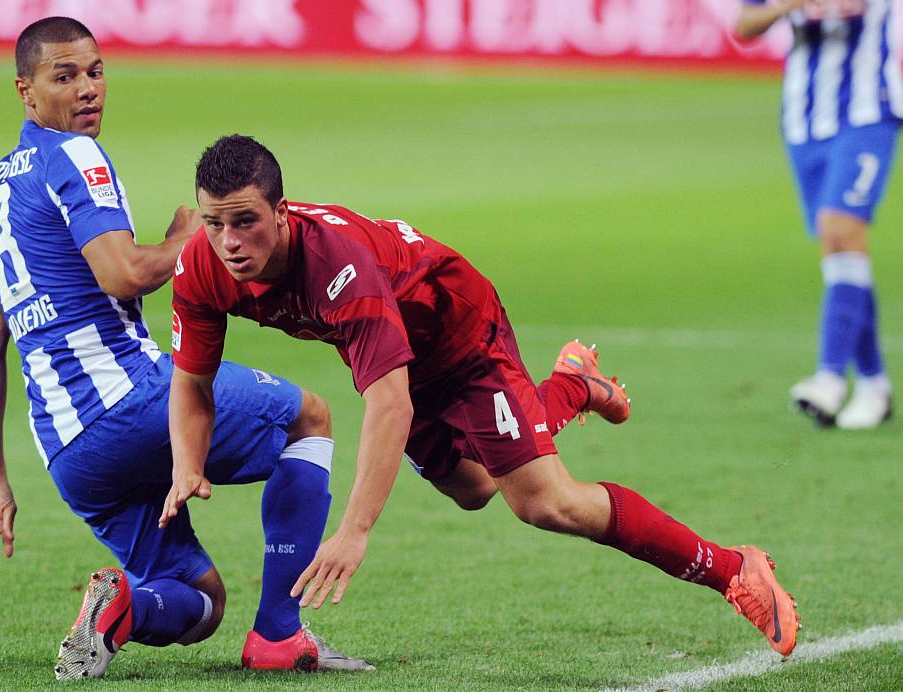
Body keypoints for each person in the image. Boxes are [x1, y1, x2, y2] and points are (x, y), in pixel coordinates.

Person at [164, 134, 801, 657]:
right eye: (216, 223)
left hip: (463, 337)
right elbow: (192, 382)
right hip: (403, 355)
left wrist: (355, 531)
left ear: (282, 212)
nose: (230, 242)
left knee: (544, 503)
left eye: (246, 221)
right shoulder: (201, 266)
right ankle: (572, 386)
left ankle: (732, 568)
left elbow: (390, 404)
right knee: (473, 490)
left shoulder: (339, 267)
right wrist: (189, 464)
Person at [0, 18, 370, 679]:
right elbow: (123, 274)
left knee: (199, 601)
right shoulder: (75, 155)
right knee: (309, 418)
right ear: (26, 91)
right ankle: (278, 635)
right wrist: (191, 237)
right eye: (64, 77)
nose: (87, 89)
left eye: (95, 71)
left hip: (67, 450)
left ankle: (121, 604)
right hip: (129, 399)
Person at [736, 0, 898, 429]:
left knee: (840, 229)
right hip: (804, 120)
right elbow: (745, 24)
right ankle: (873, 383)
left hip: (869, 112)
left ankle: (829, 377)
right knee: (841, 247)